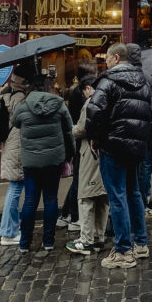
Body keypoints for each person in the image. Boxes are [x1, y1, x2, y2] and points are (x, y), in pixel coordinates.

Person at [85, 41, 152, 269]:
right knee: (134, 192)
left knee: (117, 196)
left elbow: (94, 113)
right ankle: (141, 243)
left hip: (112, 145)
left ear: (115, 58)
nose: (105, 62)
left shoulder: (108, 81)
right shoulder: (144, 80)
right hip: (136, 146)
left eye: (107, 58)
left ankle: (124, 250)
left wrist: (94, 138)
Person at [11, 69, 74, 254]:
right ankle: (48, 241)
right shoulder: (59, 104)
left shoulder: (23, 106)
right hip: (54, 159)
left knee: (30, 201)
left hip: (31, 160)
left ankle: (24, 243)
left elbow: (15, 122)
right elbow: (69, 127)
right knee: (51, 199)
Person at [67, 76, 109, 256]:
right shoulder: (109, 98)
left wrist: (73, 129)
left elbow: (83, 128)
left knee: (86, 197)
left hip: (90, 154)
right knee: (102, 197)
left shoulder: (91, 102)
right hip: (105, 152)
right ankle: (99, 238)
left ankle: (86, 241)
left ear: (88, 88)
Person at [57, 57, 97, 232]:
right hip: (82, 142)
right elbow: (84, 123)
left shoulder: (76, 92)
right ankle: (74, 217)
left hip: (79, 140)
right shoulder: (81, 95)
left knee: (78, 179)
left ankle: (65, 215)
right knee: (79, 180)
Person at [0, 73, 27, 245]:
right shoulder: (18, 98)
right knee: (15, 187)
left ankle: (11, 227)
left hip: (11, 146)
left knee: (15, 187)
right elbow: (22, 121)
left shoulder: (7, 95)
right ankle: (8, 232)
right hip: (16, 147)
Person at [125, 42, 152, 217]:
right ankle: (142, 204)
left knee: (128, 170)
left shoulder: (120, 75)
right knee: (143, 169)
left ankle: (130, 205)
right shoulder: (148, 77)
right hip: (144, 131)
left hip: (125, 132)